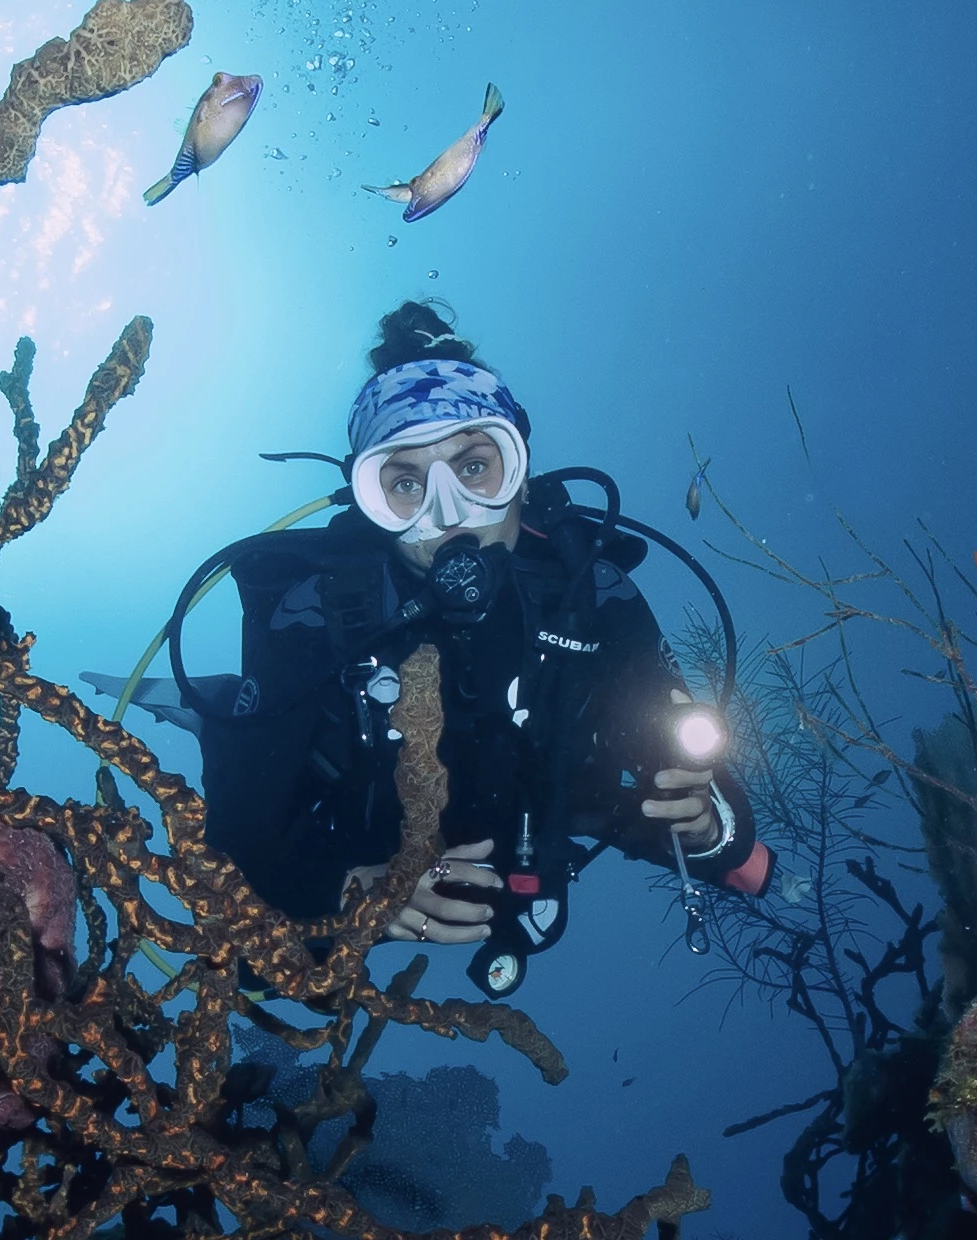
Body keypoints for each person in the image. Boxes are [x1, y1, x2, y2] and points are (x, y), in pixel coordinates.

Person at [187, 304, 769, 992]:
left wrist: (704, 825)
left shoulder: (591, 593)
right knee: (255, 968)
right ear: (369, 498)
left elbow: (695, 794)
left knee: (747, 862)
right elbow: (237, 858)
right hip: (358, 831)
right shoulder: (311, 616)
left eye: (474, 465)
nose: (448, 510)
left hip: (538, 814)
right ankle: (217, 708)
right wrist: (345, 890)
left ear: (519, 470)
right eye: (405, 482)